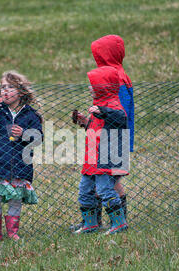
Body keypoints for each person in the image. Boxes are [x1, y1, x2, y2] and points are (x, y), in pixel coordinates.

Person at [71, 34, 134, 232]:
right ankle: (92, 222)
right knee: (95, 186)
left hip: (111, 146)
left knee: (109, 184)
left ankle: (119, 221)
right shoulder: (107, 83)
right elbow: (100, 123)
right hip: (98, 149)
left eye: (98, 54)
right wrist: (86, 122)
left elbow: (119, 118)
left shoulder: (117, 81)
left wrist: (104, 113)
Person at [0, 71, 43, 241]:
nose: (5, 91)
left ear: (21, 92)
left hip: (20, 164)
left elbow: (38, 138)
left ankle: (13, 232)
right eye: (2, 88)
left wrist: (24, 133)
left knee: (15, 198)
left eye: (10, 87)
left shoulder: (30, 114)